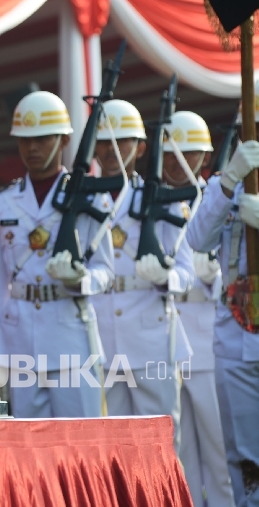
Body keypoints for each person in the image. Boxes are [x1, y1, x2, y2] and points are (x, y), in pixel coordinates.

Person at [0, 90, 113, 418]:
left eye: (42, 138)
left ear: (65, 140)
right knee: (32, 453)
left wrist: (82, 279)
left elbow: (105, 271)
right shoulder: (0, 204)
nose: (33, 148)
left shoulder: (90, 198)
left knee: (81, 449)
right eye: (25, 139)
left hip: (72, 336)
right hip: (20, 341)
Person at [91, 99, 193, 448]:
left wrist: (165, 278)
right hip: (99, 337)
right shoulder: (80, 200)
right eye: (104, 142)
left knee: (161, 442)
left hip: (151, 335)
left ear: (141, 148)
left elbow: (186, 272)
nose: (111, 150)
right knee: (108, 445)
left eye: (122, 142)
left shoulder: (162, 199)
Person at [187, 115, 259, 506]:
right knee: (243, 459)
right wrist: (229, 180)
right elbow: (198, 240)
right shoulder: (225, 185)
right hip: (236, 335)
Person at [164, 111, 234, 506]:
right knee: (180, 455)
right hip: (167, 339)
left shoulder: (216, 198)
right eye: (170, 154)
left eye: (187, 153)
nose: (177, 162)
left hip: (207, 340)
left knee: (220, 453)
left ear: (204, 157)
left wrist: (214, 274)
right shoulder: (150, 200)